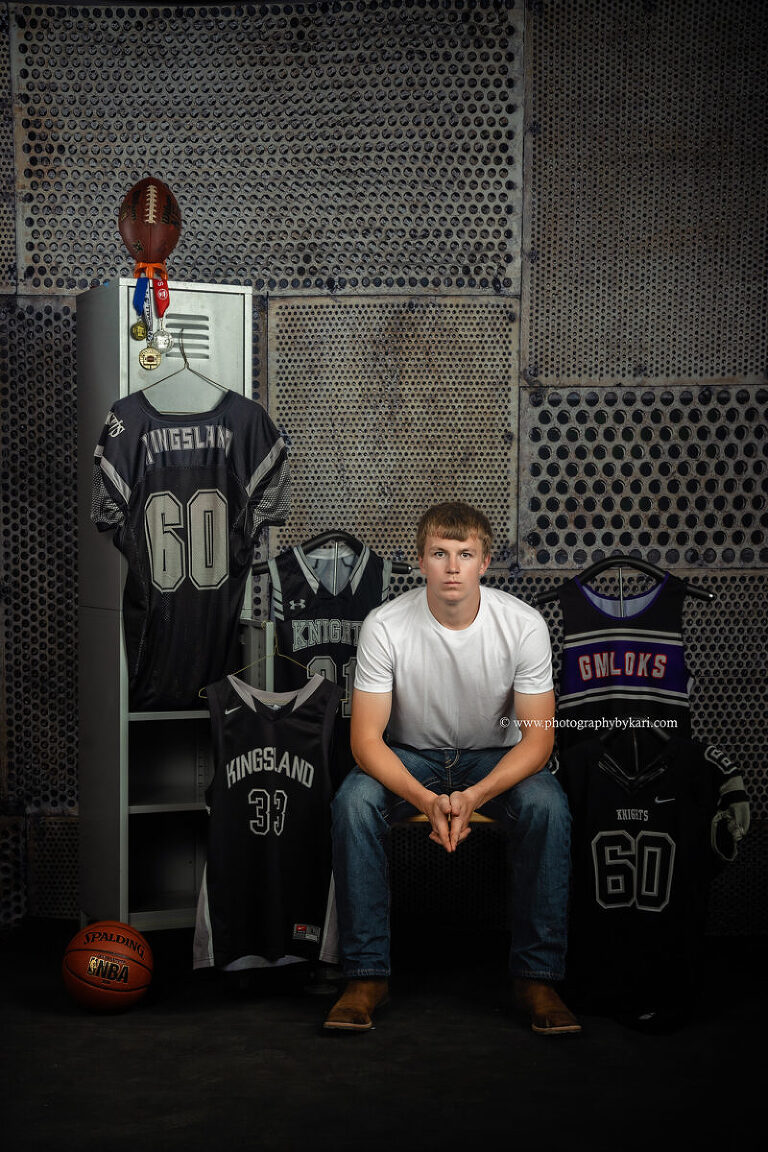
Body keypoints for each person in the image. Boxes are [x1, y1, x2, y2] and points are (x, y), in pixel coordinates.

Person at [323, 501, 580, 1036]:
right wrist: (424, 797)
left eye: (465, 554)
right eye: (440, 553)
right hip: (409, 755)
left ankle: (537, 977)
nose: (453, 567)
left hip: (497, 757)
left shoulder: (523, 625)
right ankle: (366, 976)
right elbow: (367, 742)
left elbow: (537, 742)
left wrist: (476, 794)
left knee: (548, 805)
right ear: (421, 561)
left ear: (485, 562)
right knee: (352, 802)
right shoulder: (385, 625)